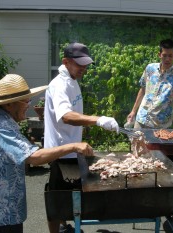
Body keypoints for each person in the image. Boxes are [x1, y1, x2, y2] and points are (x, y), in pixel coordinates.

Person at [0, 74, 94, 233]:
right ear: (9, 105)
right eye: (25, 101)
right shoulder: (2, 126)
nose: (29, 105)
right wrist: (73, 146)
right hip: (3, 210)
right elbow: (33, 158)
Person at [44, 42, 119, 233]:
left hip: (72, 149)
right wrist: (98, 120)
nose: (83, 68)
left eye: (85, 64)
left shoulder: (72, 79)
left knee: (68, 196)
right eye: (80, 64)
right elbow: (66, 116)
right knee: (56, 199)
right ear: (66, 61)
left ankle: (65, 227)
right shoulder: (60, 85)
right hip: (60, 152)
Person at [126, 38, 173, 129]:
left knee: (154, 144)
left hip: (159, 125)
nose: (167, 59)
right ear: (159, 55)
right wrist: (133, 111)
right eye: (164, 55)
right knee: (136, 143)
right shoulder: (150, 68)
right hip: (141, 118)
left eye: (170, 56)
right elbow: (142, 90)